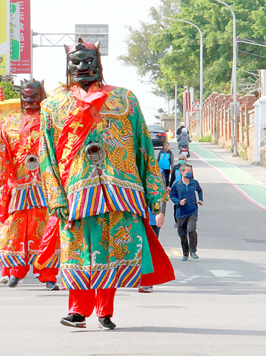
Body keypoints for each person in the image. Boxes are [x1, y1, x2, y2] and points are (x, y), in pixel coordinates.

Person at [39, 40, 173, 330]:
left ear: (98, 61)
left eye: (88, 61)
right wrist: (55, 196)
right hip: (75, 192)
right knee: (77, 253)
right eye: (75, 62)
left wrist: (154, 193)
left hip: (119, 190)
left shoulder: (124, 99)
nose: (82, 67)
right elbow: (46, 154)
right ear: (67, 65)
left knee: (109, 250)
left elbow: (143, 147)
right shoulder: (53, 106)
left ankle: (104, 311)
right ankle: (77, 310)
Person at [0, 79, 60, 291]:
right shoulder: (9, 122)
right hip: (20, 185)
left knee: (47, 229)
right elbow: (1, 153)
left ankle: (48, 275)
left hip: (45, 184)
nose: (29, 101)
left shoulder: (51, 120)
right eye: (25, 97)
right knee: (18, 229)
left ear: (42, 96)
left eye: (34, 97)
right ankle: (17, 271)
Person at [170, 163, 203, 261]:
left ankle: (193, 251)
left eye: (191, 171)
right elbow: (172, 196)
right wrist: (178, 202)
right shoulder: (176, 184)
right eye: (188, 171)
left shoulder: (194, 183)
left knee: (191, 229)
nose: (190, 173)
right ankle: (185, 253)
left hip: (192, 210)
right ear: (181, 172)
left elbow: (200, 191)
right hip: (180, 212)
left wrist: (200, 199)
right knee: (182, 233)